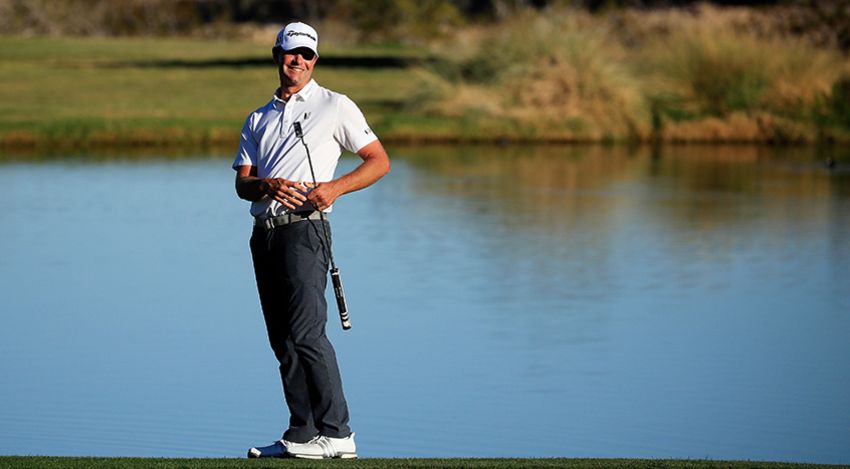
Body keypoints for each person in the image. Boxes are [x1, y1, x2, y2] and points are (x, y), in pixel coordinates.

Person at [233, 21, 390, 459]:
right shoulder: (258, 117)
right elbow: (242, 185)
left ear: (315, 60)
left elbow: (378, 161)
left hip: (307, 229)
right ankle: (301, 431)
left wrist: (335, 188)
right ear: (276, 56)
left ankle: (338, 433)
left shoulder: (335, 106)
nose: (297, 60)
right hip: (263, 235)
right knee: (281, 338)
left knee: (306, 333)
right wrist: (265, 185)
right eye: (290, 53)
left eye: (305, 54)